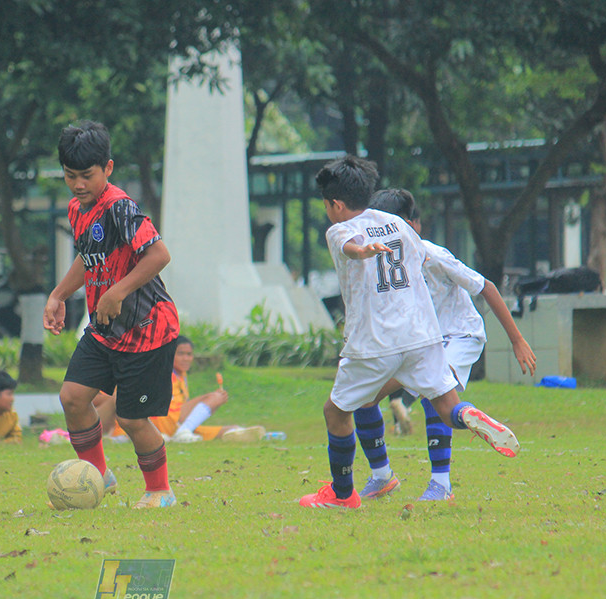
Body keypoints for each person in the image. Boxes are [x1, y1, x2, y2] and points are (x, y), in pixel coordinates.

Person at [299, 155, 520, 510]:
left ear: (336, 204)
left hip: (374, 342)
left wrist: (362, 250)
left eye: (327, 205)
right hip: (423, 337)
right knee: (447, 407)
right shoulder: (397, 225)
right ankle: (468, 416)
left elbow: (348, 247)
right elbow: (419, 262)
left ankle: (343, 495)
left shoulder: (339, 228)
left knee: (336, 411)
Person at [355, 188, 536, 501]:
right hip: (420, 345)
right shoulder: (379, 262)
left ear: (415, 225)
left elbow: (487, 288)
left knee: (433, 394)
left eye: (394, 225)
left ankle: (441, 485)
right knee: (363, 398)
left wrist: (517, 340)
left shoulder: (433, 255)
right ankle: (382, 475)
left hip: (459, 336)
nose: (388, 233)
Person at [44, 120, 180, 509]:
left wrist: (117, 291)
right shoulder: (77, 208)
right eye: (70, 176)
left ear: (108, 168)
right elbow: (89, 259)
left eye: (87, 176)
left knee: (132, 419)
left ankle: (160, 491)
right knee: (72, 397)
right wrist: (58, 295)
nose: (78, 185)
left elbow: (159, 255)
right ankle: (96, 477)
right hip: (105, 329)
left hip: (146, 329)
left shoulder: (120, 208)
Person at [95, 335, 265, 443]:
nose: (186, 358)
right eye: (180, 353)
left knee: (229, 429)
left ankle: (256, 435)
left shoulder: (181, 376)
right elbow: (99, 398)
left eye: (189, 354)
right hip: (163, 419)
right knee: (215, 397)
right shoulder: (161, 371)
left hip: (173, 423)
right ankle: (183, 432)